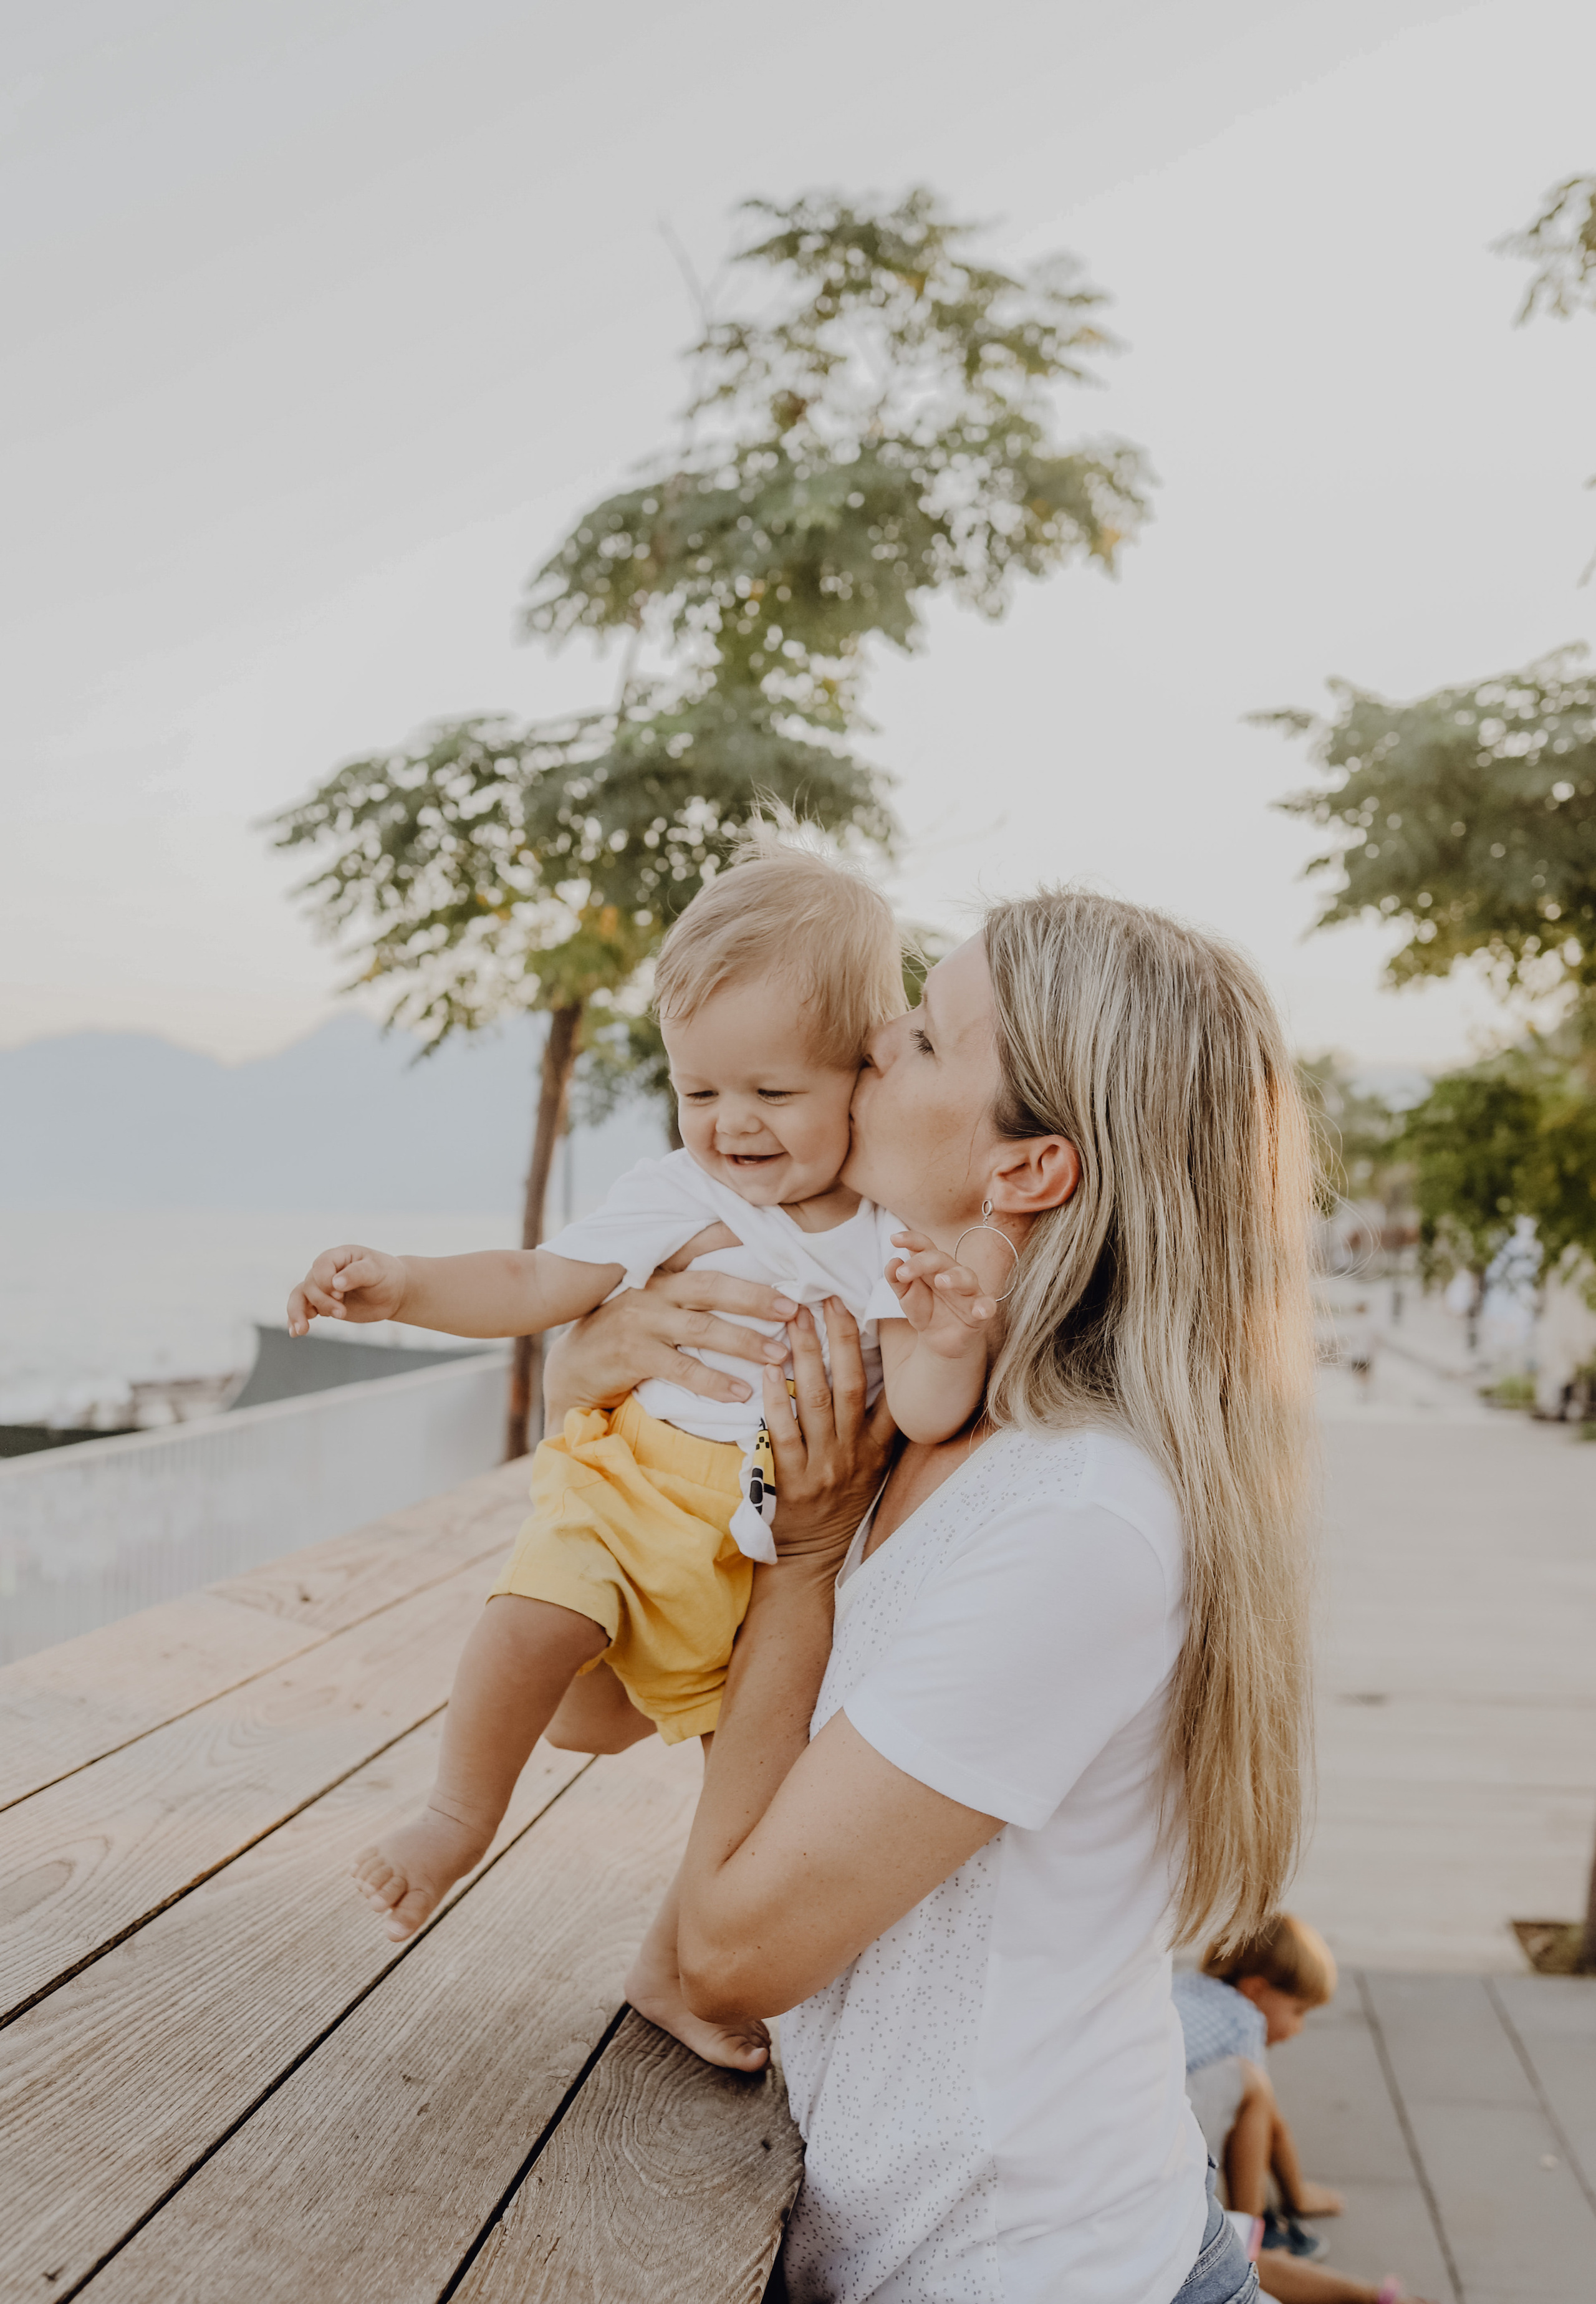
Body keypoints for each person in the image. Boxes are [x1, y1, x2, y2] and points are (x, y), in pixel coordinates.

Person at [544, 890, 1318, 2304]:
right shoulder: (908, 1411)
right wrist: (586, 1407)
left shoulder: (1072, 1513)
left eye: (915, 1036)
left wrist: (796, 1563)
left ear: (1027, 1167)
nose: (864, 1048)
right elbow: (586, 1713)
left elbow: (729, 1956)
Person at [285, 842, 1008, 2066]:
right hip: (631, 1494)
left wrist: (950, 1336)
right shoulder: (685, 1195)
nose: (728, 1126)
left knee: (758, 1786)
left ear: (860, 1072)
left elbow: (930, 1409)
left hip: (758, 1561)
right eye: (697, 1091)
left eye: (770, 1094)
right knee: (530, 1619)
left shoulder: (889, 1237)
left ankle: (670, 1974)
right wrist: (402, 1283)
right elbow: (534, 1279)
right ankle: (456, 1818)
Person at [1175, 1915, 1343, 2257]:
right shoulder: (1244, 2020)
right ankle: (1246, 2240)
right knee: (1252, 2091)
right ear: (1255, 1990)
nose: (1299, 2028)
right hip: (1159, 2120)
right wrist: (1297, 2195)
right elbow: (1271, 2123)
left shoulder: (1189, 1984)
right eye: (1298, 2010)